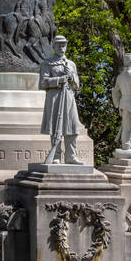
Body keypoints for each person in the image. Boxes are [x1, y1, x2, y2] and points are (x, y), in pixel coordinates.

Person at [39, 35, 81, 164]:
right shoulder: (48, 63)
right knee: (56, 126)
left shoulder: (71, 64)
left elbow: (77, 85)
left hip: (69, 97)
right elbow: (43, 83)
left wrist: (72, 77)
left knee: (72, 126)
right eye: (58, 45)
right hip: (55, 97)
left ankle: (71, 156)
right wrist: (59, 80)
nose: (61, 48)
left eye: (63, 45)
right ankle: (56, 156)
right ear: (53, 47)